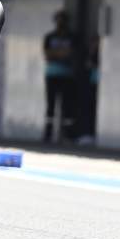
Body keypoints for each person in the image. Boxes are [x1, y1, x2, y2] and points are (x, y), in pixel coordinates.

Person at [42, 10, 77, 142]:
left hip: (66, 75)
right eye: (59, 20)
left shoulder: (72, 37)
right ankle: (48, 133)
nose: (61, 24)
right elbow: (47, 55)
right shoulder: (49, 37)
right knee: (50, 104)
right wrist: (61, 54)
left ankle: (66, 134)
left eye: (63, 21)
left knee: (66, 105)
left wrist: (57, 54)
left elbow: (71, 54)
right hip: (52, 74)